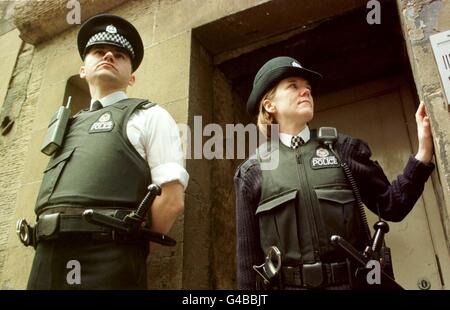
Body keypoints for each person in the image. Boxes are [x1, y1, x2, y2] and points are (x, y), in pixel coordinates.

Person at [234, 56, 435, 290]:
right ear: (269, 105)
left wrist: (423, 153)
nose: (305, 92)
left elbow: (393, 205)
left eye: (307, 88)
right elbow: (248, 263)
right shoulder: (252, 171)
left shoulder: (343, 148)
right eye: (293, 86)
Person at [25, 14, 188, 289]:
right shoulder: (66, 126)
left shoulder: (150, 116)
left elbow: (171, 200)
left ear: (132, 77)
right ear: (82, 70)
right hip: (46, 258)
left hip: (110, 260)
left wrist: (129, 245)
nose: (109, 55)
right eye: (99, 52)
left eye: (120, 55)